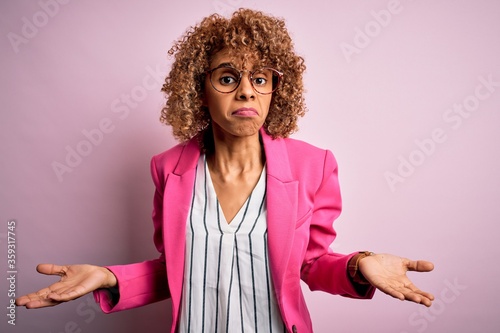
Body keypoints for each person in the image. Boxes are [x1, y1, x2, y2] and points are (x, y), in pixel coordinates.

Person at [16, 8, 434, 333]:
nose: (247, 90)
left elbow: (306, 265)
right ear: (199, 89)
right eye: (229, 77)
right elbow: (177, 269)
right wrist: (108, 277)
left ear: (276, 90)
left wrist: (359, 265)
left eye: (261, 78)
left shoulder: (314, 166)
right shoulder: (167, 169)